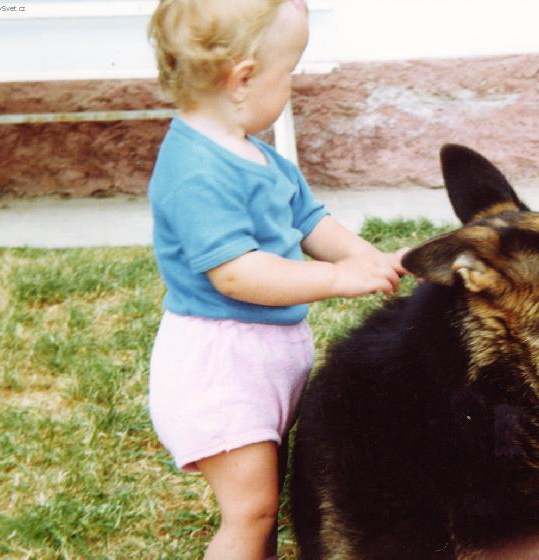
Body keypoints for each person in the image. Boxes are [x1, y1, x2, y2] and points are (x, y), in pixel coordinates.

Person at [146, 1, 407, 558]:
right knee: (251, 511)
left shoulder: (258, 157)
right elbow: (238, 275)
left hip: (266, 357)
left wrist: (371, 259)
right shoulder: (194, 172)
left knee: (265, 506)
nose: (291, 84)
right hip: (221, 367)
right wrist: (337, 278)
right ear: (241, 79)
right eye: (288, 70)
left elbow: (309, 219)